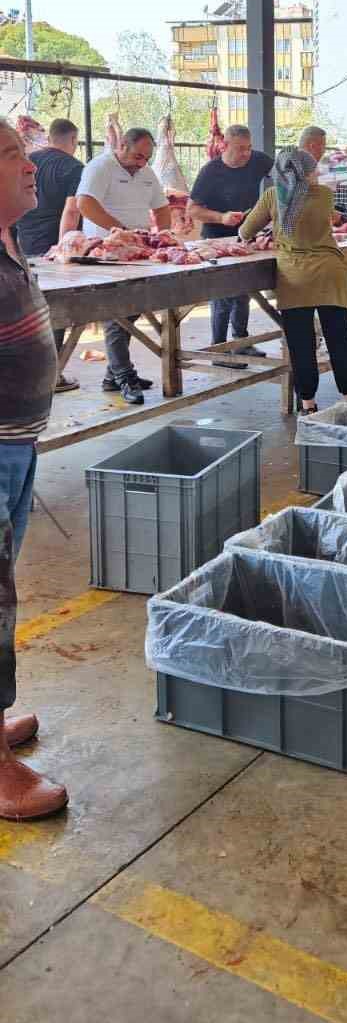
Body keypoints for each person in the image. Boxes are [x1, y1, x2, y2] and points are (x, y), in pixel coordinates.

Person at [0, 118, 68, 821]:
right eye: (15, 155)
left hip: (16, 445)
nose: (33, 167)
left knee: (3, 592)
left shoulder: (9, 239)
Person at [239, 146, 347, 414]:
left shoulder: (273, 196)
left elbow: (246, 231)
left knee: (301, 345)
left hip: (295, 277)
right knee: (339, 340)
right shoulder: (326, 195)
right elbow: (320, 216)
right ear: (308, 170)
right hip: (331, 273)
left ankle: (308, 404)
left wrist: (272, 231)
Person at [76, 127, 171, 405]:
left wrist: (162, 236)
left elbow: (162, 207)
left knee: (131, 312)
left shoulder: (146, 172)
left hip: (138, 252)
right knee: (117, 314)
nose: (142, 163)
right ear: (122, 146)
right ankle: (124, 375)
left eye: (147, 158)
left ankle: (112, 375)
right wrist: (119, 231)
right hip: (106, 251)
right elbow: (85, 203)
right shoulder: (101, 166)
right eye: (138, 156)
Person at [189, 125, 273, 355]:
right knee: (223, 294)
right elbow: (193, 209)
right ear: (224, 146)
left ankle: (241, 341)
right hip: (215, 239)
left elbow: (281, 173)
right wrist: (221, 217)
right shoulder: (210, 171)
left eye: (248, 148)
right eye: (240, 149)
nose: (246, 154)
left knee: (243, 291)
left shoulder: (259, 160)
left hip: (244, 236)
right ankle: (219, 348)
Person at [17, 118, 84, 394]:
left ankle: (33, 372)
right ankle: (52, 375)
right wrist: (62, 249)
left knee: (31, 308)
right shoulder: (74, 167)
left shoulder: (29, 161)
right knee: (57, 309)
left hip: (23, 241)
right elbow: (71, 212)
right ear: (72, 141)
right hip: (54, 244)